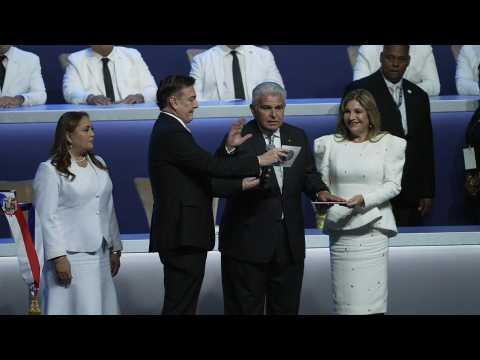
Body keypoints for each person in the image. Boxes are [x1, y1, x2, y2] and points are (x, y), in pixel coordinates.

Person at [148, 75, 287, 315]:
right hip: (182, 235)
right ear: (173, 101)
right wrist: (259, 160)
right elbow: (213, 168)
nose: (196, 104)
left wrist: (230, 153)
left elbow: (203, 177)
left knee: (183, 304)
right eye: (191, 99)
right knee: (180, 305)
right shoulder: (171, 132)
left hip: (185, 235)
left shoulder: (170, 129)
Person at [215, 82, 343, 315]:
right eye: (266, 108)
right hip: (246, 243)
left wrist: (319, 192)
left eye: (279, 107)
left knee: (286, 308)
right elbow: (218, 176)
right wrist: (228, 150)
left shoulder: (297, 135)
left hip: (288, 242)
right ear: (253, 110)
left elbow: (307, 174)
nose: (274, 114)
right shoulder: (239, 138)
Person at [314, 89, 406, 315]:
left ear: (370, 114)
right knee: (346, 305)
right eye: (347, 111)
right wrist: (325, 213)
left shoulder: (389, 144)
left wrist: (363, 199)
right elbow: (321, 189)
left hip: (373, 229)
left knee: (371, 303)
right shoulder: (328, 144)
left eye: (358, 111)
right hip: (341, 230)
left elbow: (394, 185)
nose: (351, 116)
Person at [33, 111, 122, 315]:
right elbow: (46, 217)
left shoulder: (99, 163)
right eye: (86, 129)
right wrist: (58, 257)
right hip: (71, 258)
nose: (92, 134)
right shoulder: (50, 170)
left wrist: (115, 247)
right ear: (68, 135)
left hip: (100, 254)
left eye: (92, 129)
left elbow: (107, 208)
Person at [345, 45, 435, 226]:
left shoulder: (419, 96)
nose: (395, 64)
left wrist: (427, 191)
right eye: (390, 58)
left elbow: (425, 145)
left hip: (410, 192)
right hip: (372, 191)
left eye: (401, 59)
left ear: (408, 61)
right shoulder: (360, 90)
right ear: (381, 57)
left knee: (409, 251)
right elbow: (349, 141)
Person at [63, 45, 157, 105]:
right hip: (95, 116)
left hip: (132, 113)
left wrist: (141, 97)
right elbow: (70, 92)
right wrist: (89, 98)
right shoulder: (76, 59)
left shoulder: (132, 55)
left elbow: (152, 89)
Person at [189, 45, 284, 101]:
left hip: (257, 119)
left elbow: (278, 92)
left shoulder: (264, 56)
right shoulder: (201, 60)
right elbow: (194, 98)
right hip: (218, 119)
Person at [353, 45, 440, 96]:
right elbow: (358, 88)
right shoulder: (367, 49)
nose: (395, 64)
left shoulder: (424, 48)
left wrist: (403, 91)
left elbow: (434, 86)